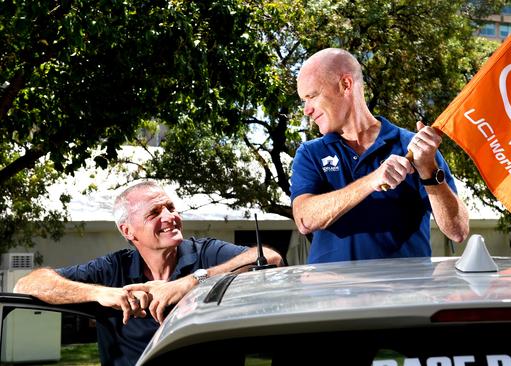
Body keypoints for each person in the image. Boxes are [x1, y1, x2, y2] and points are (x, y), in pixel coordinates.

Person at [14, 180, 282, 366]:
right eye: (155, 212)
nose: (170, 217)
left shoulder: (206, 253)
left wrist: (191, 282)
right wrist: (99, 293)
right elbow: (28, 283)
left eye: (170, 207)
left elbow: (271, 257)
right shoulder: (111, 270)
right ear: (128, 231)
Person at [291, 48, 469, 264]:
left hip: (405, 294)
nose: (306, 110)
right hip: (331, 294)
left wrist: (428, 170)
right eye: (304, 101)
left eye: (312, 96)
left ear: (345, 85)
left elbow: (458, 231)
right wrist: (372, 180)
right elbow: (305, 220)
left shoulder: (414, 146)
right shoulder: (310, 153)